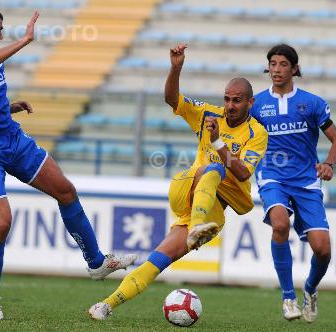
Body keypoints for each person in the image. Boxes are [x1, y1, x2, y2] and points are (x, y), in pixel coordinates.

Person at [0, 2, 136, 320]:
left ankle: (96, 263)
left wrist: (9, 107)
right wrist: (23, 41)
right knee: (2, 222)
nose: (2, 33)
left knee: (66, 190)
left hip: (12, 139)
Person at [88, 44, 268, 320]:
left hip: (211, 212)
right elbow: (173, 99)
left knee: (157, 260)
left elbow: (244, 173)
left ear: (250, 103)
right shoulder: (209, 114)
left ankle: (106, 305)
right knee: (213, 169)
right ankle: (197, 229)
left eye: (237, 100)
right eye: (227, 99)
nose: (230, 105)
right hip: (187, 188)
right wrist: (176, 68)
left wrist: (218, 140)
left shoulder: (256, 133)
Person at [250, 44, 336, 322]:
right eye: (272, 64)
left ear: (294, 68)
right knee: (280, 224)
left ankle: (310, 290)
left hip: (306, 181)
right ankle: (288, 297)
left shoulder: (312, 103)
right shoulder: (256, 104)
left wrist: (328, 164)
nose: (276, 69)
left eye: (282, 64)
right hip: (272, 177)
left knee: (323, 249)